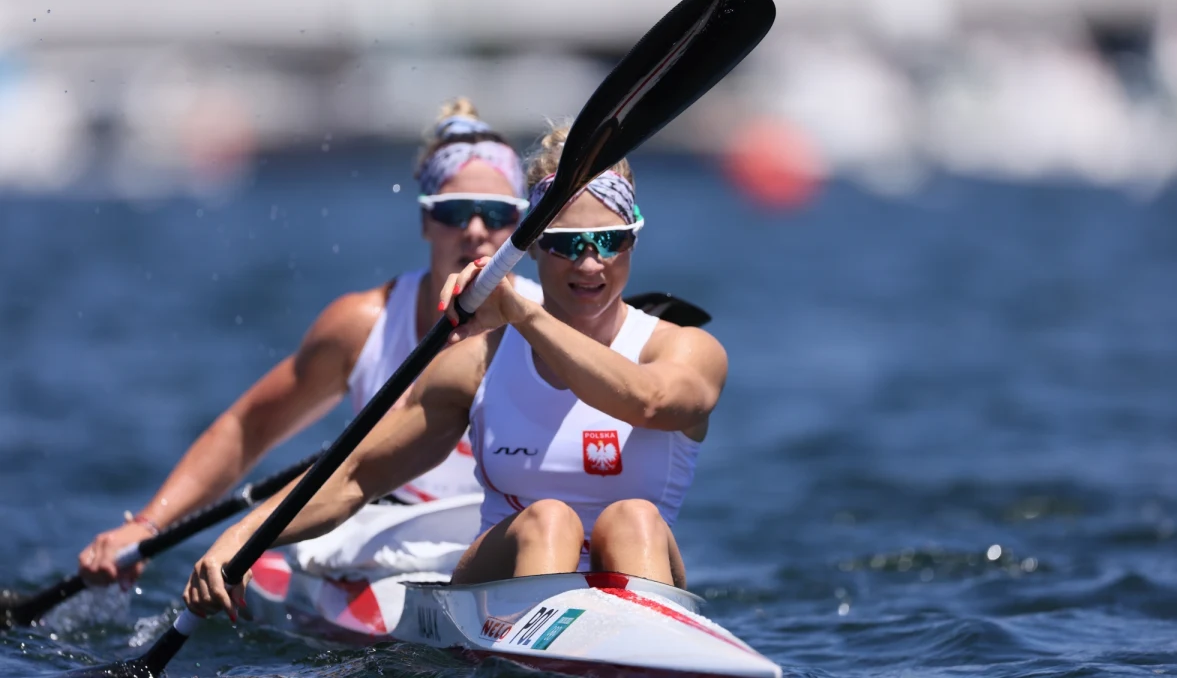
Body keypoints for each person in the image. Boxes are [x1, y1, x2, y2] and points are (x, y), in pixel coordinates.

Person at [184, 121, 728, 622]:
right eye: (566, 244)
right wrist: (243, 537)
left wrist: (524, 315)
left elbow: (649, 402)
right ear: (533, 246)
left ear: (633, 238)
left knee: (635, 519)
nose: (589, 263)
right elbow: (354, 477)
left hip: (634, 561)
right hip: (504, 571)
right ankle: (526, 655)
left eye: (610, 240)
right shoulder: (475, 363)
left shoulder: (686, 350)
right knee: (549, 520)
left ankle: (652, 652)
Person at [79, 99, 541, 587]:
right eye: (453, 212)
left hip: (510, 535)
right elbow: (249, 428)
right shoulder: (363, 324)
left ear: (520, 227)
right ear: (425, 221)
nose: (475, 231)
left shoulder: (550, 322)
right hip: (388, 537)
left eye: (496, 213)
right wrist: (148, 525)